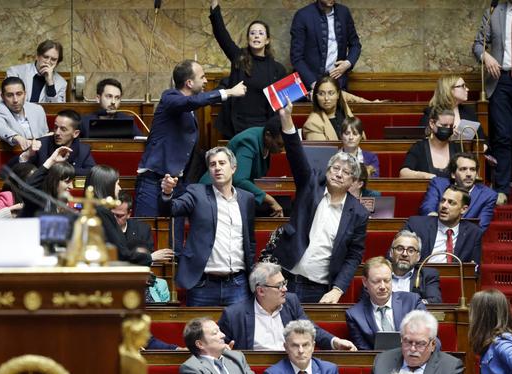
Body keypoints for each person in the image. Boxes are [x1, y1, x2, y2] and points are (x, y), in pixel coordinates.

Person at [260, 100, 368, 303]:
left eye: (345, 172)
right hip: (285, 279)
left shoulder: (359, 213)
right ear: (327, 171)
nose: (338, 174)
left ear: (353, 182)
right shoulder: (310, 185)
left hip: (318, 289)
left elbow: (353, 256)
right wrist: (286, 120)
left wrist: (337, 290)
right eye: (335, 168)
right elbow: (295, 153)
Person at [134, 59, 246, 219]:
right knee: (145, 233)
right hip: (153, 182)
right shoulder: (169, 97)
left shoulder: (190, 108)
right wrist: (228, 92)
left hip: (177, 184)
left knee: (176, 240)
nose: (206, 81)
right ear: (189, 83)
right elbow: (190, 102)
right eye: (202, 77)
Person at [159, 147, 255, 307]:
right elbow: (170, 210)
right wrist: (167, 192)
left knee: (239, 331)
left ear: (233, 168)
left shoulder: (247, 199)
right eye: (212, 164)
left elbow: (250, 241)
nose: (217, 167)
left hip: (238, 284)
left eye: (222, 163)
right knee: (199, 332)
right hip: (203, 284)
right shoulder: (197, 193)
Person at [218, 262, 355, 351]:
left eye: (284, 283)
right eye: (279, 286)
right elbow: (220, 345)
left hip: (290, 367)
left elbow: (310, 329)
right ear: (260, 291)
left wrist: (335, 341)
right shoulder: (234, 315)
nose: (285, 289)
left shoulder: (291, 302)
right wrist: (222, 348)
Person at [209, 0, 287, 138]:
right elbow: (222, 34)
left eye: (260, 33)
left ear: (267, 40)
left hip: (264, 128)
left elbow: (281, 102)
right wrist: (214, 5)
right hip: (236, 126)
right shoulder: (238, 58)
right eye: (252, 33)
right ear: (248, 38)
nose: (256, 35)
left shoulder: (278, 70)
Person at [86, 165, 174, 267]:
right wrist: (150, 257)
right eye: (117, 184)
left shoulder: (94, 209)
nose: (119, 188)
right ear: (107, 186)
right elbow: (120, 254)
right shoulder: (102, 211)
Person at [199, 115, 285, 216]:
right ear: (268, 135)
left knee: (285, 203)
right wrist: (270, 200)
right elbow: (239, 179)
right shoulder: (249, 141)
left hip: (231, 193)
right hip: (213, 194)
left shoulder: (264, 139)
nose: (282, 150)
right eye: (279, 144)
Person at [473, 2, 512, 205]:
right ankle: (502, 189)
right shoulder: (494, 12)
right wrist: (485, 56)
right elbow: (477, 44)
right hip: (502, 80)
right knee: (503, 136)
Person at [345, 257, 426, 350]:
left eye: (387, 280)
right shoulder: (354, 315)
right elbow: (364, 353)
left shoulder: (412, 302)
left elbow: (430, 338)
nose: (383, 287)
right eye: (376, 281)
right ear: (365, 282)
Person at [289, 0, 361, 90]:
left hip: (338, 83)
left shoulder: (344, 12)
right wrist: (314, 85)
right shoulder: (302, 15)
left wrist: (347, 63)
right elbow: (296, 57)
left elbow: (355, 44)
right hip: (310, 84)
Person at [419, 151, 497, 232]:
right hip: (435, 231)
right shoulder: (438, 184)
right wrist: (436, 221)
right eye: (463, 169)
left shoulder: (488, 195)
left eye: (472, 169)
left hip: (464, 239)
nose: (469, 174)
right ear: (453, 174)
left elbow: (480, 227)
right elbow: (427, 208)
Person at [403, 186, 482, 264]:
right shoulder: (416, 225)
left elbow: (474, 269)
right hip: (422, 275)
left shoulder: (473, 233)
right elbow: (396, 255)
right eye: (443, 200)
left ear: (463, 209)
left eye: (451, 202)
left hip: (454, 276)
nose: (444, 206)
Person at [16, 109, 95, 175]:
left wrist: (62, 170)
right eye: (56, 127)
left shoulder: (83, 150)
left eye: (63, 129)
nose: (57, 132)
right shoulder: (41, 145)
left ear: (75, 133)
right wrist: (26, 155)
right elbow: (14, 172)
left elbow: (92, 172)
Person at [419, 74, 486, 142]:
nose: (467, 89)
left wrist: (484, 147)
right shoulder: (431, 113)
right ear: (449, 90)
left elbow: (483, 139)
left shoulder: (469, 111)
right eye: (463, 86)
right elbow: (425, 140)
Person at [302, 76, 371, 140]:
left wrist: (372, 102)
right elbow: (322, 152)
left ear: (338, 94)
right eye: (321, 94)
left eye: (331, 93)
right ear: (316, 97)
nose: (326, 98)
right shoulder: (312, 124)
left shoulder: (342, 101)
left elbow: (353, 98)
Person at [0, 77, 49, 151]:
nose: (15, 100)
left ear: (25, 94)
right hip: (17, 156)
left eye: (19, 94)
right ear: (2, 97)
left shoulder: (37, 109)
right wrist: (17, 137)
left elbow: (45, 134)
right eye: (9, 95)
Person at [400, 106, 459, 179]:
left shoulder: (457, 148)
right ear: (432, 123)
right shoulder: (419, 147)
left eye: (451, 126)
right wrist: (424, 176)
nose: (448, 128)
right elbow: (403, 173)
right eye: (444, 125)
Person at [19, 147, 76, 218]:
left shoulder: (66, 204)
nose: (71, 187)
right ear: (53, 180)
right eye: (67, 182)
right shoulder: (40, 200)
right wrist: (51, 160)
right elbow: (26, 190)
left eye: (72, 182)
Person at [388, 230, 442, 304]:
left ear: (418, 257)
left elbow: (435, 301)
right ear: (391, 253)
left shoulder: (427, 275)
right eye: (400, 249)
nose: (404, 254)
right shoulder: (378, 273)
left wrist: (412, 304)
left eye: (411, 250)